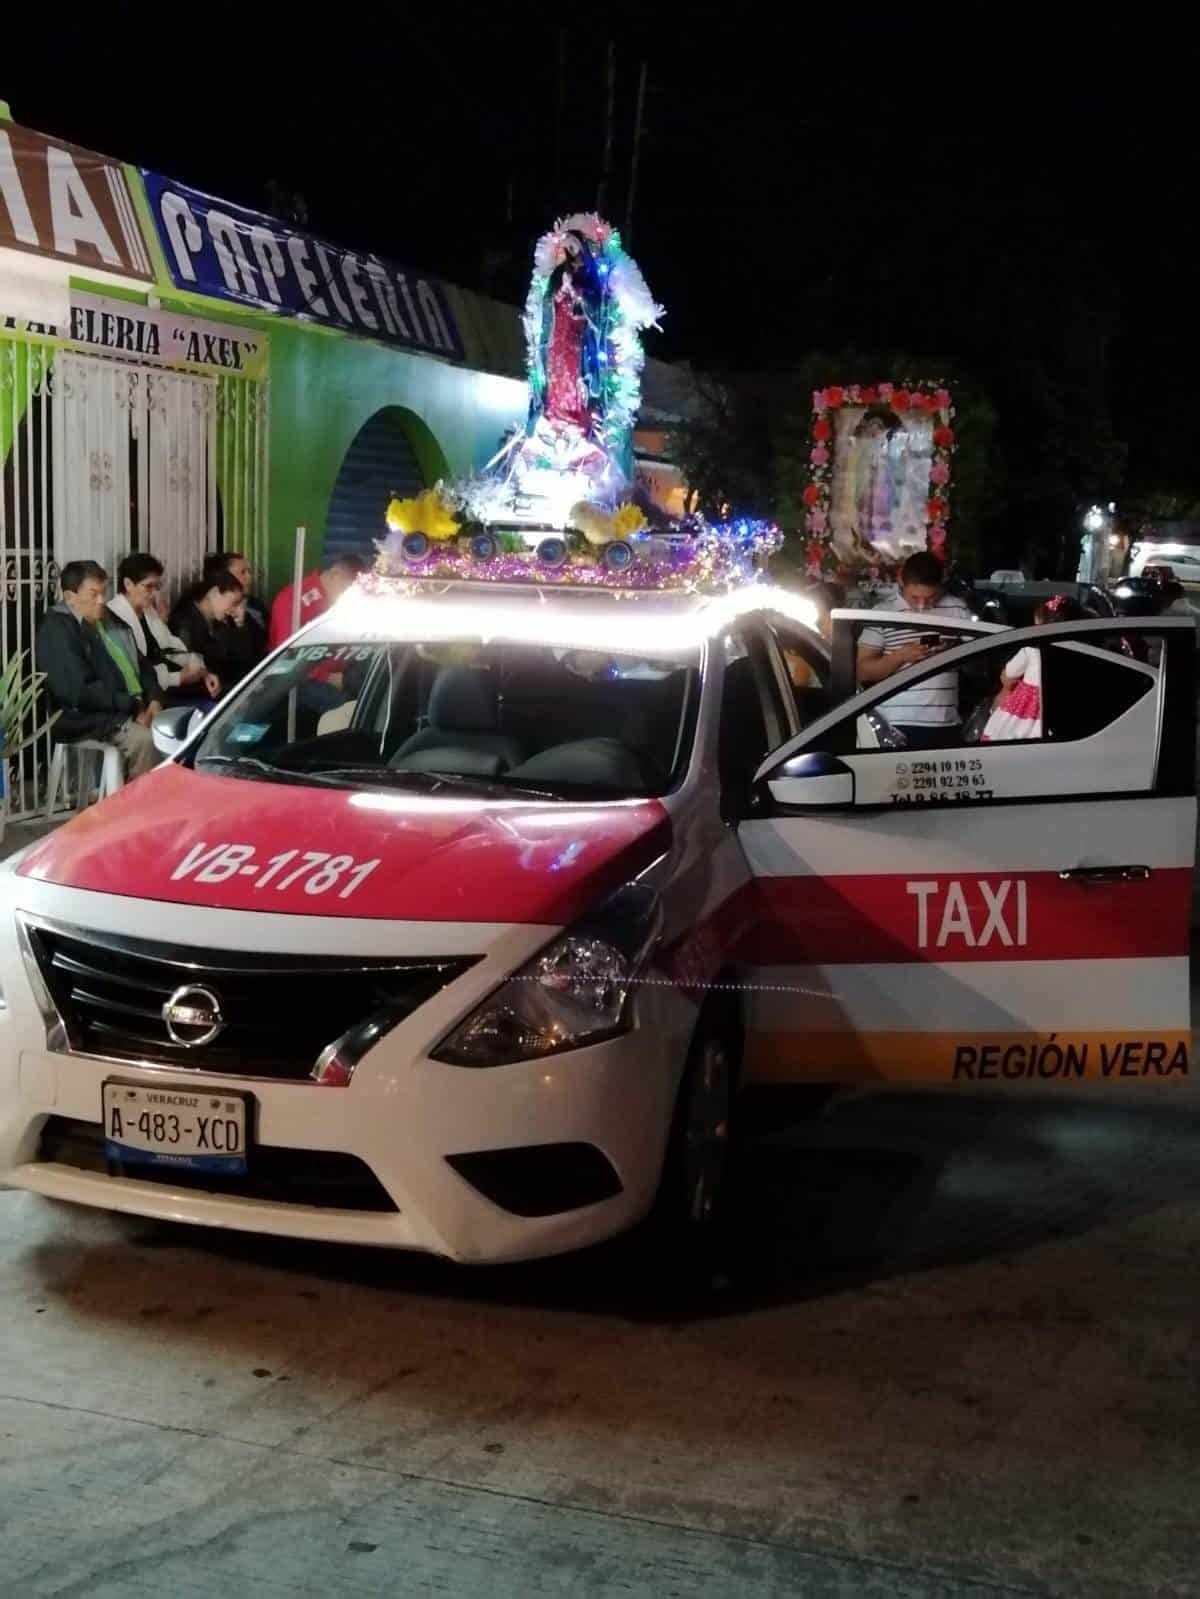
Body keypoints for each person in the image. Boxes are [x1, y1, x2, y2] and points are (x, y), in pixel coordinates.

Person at [35, 560, 162, 779]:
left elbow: (144, 666)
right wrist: (132, 706)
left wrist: (154, 700)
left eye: (103, 593)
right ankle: (138, 810)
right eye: (94, 594)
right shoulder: (58, 630)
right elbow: (80, 691)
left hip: (131, 708)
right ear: (70, 598)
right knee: (145, 741)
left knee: (182, 731)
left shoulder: (110, 621)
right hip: (86, 717)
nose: (102, 601)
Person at [857, 551, 972, 747]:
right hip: (895, 724)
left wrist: (952, 651)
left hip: (945, 721)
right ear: (901, 580)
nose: (922, 605)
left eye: (931, 597)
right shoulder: (883, 614)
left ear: (941, 584)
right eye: (915, 597)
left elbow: (978, 659)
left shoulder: (957, 609)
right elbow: (862, 671)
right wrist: (901, 656)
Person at [107, 553, 219, 704]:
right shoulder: (114, 617)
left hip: (166, 686)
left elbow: (172, 647)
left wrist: (202, 672)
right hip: (146, 696)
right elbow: (132, 672)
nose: (154, 594)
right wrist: (176, 678)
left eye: (157, 587)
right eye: (148, 587)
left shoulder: (148, 612)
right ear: (128, 584)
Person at [268, 553, 368, 650]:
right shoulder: (294, 599)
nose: (350, 595)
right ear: (335, 575)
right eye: (347, 588)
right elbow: (288, 654)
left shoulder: (343, 602)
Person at [169, 572, 244, 696]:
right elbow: (185, 665)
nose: (234, 610)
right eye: (233, 603)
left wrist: (240, 624)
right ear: (214, 593)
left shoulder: (221, 621)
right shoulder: (184, 620)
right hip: (195, 694)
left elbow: (239, 661)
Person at [203, 551, 268, 686]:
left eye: (249, 572)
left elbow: (262, 647)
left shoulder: (256, 607)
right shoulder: (214, 614)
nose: (249, 578)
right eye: (242, 572)